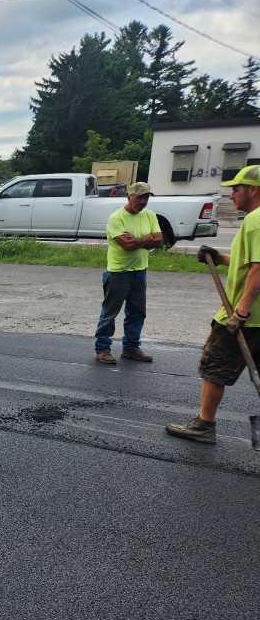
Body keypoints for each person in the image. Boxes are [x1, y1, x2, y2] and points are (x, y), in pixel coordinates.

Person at [166, 165, 260, 444]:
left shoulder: (256, 220)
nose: (231, 194)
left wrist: (241, 313)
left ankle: (204, 425)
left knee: (214, 366)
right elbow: (247, 261)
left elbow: (258, 270)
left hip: (245, 317)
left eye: (236, 188)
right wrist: (220, 258)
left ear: (253, 190)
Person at [93, 181, 163, 364]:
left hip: (140, 271)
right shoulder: (117, 218)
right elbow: (127, 246)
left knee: (137, 312)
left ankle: (131, 348)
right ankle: (102, 349)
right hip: (118, 273)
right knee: (110, 312)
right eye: (139, 197)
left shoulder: (150, 215)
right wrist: (147, 238)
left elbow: (159, 241)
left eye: (146, 197)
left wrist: (140, 240)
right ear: (129, 197)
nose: (143, 201)